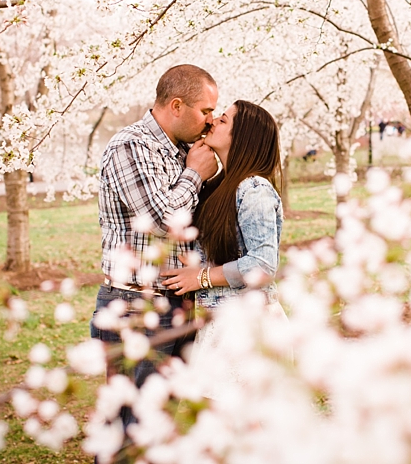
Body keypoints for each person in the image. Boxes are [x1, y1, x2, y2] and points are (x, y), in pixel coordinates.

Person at [90, 64, 220, 435]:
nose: (210, 121)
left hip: (177, 302)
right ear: (176, 106)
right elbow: (163, 220)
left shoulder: (184, 150)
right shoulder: (132, 146)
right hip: (135, 305)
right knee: (131, 424)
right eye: (205, 111)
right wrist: (195, 173)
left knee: (157, 425)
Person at [159, 100, 287, 396]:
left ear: (243, 137)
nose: (213, 120)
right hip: (221, 324)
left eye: (224, 120)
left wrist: (200, 277)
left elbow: (262, 265)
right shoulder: (220, 187)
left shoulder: (254, 190)